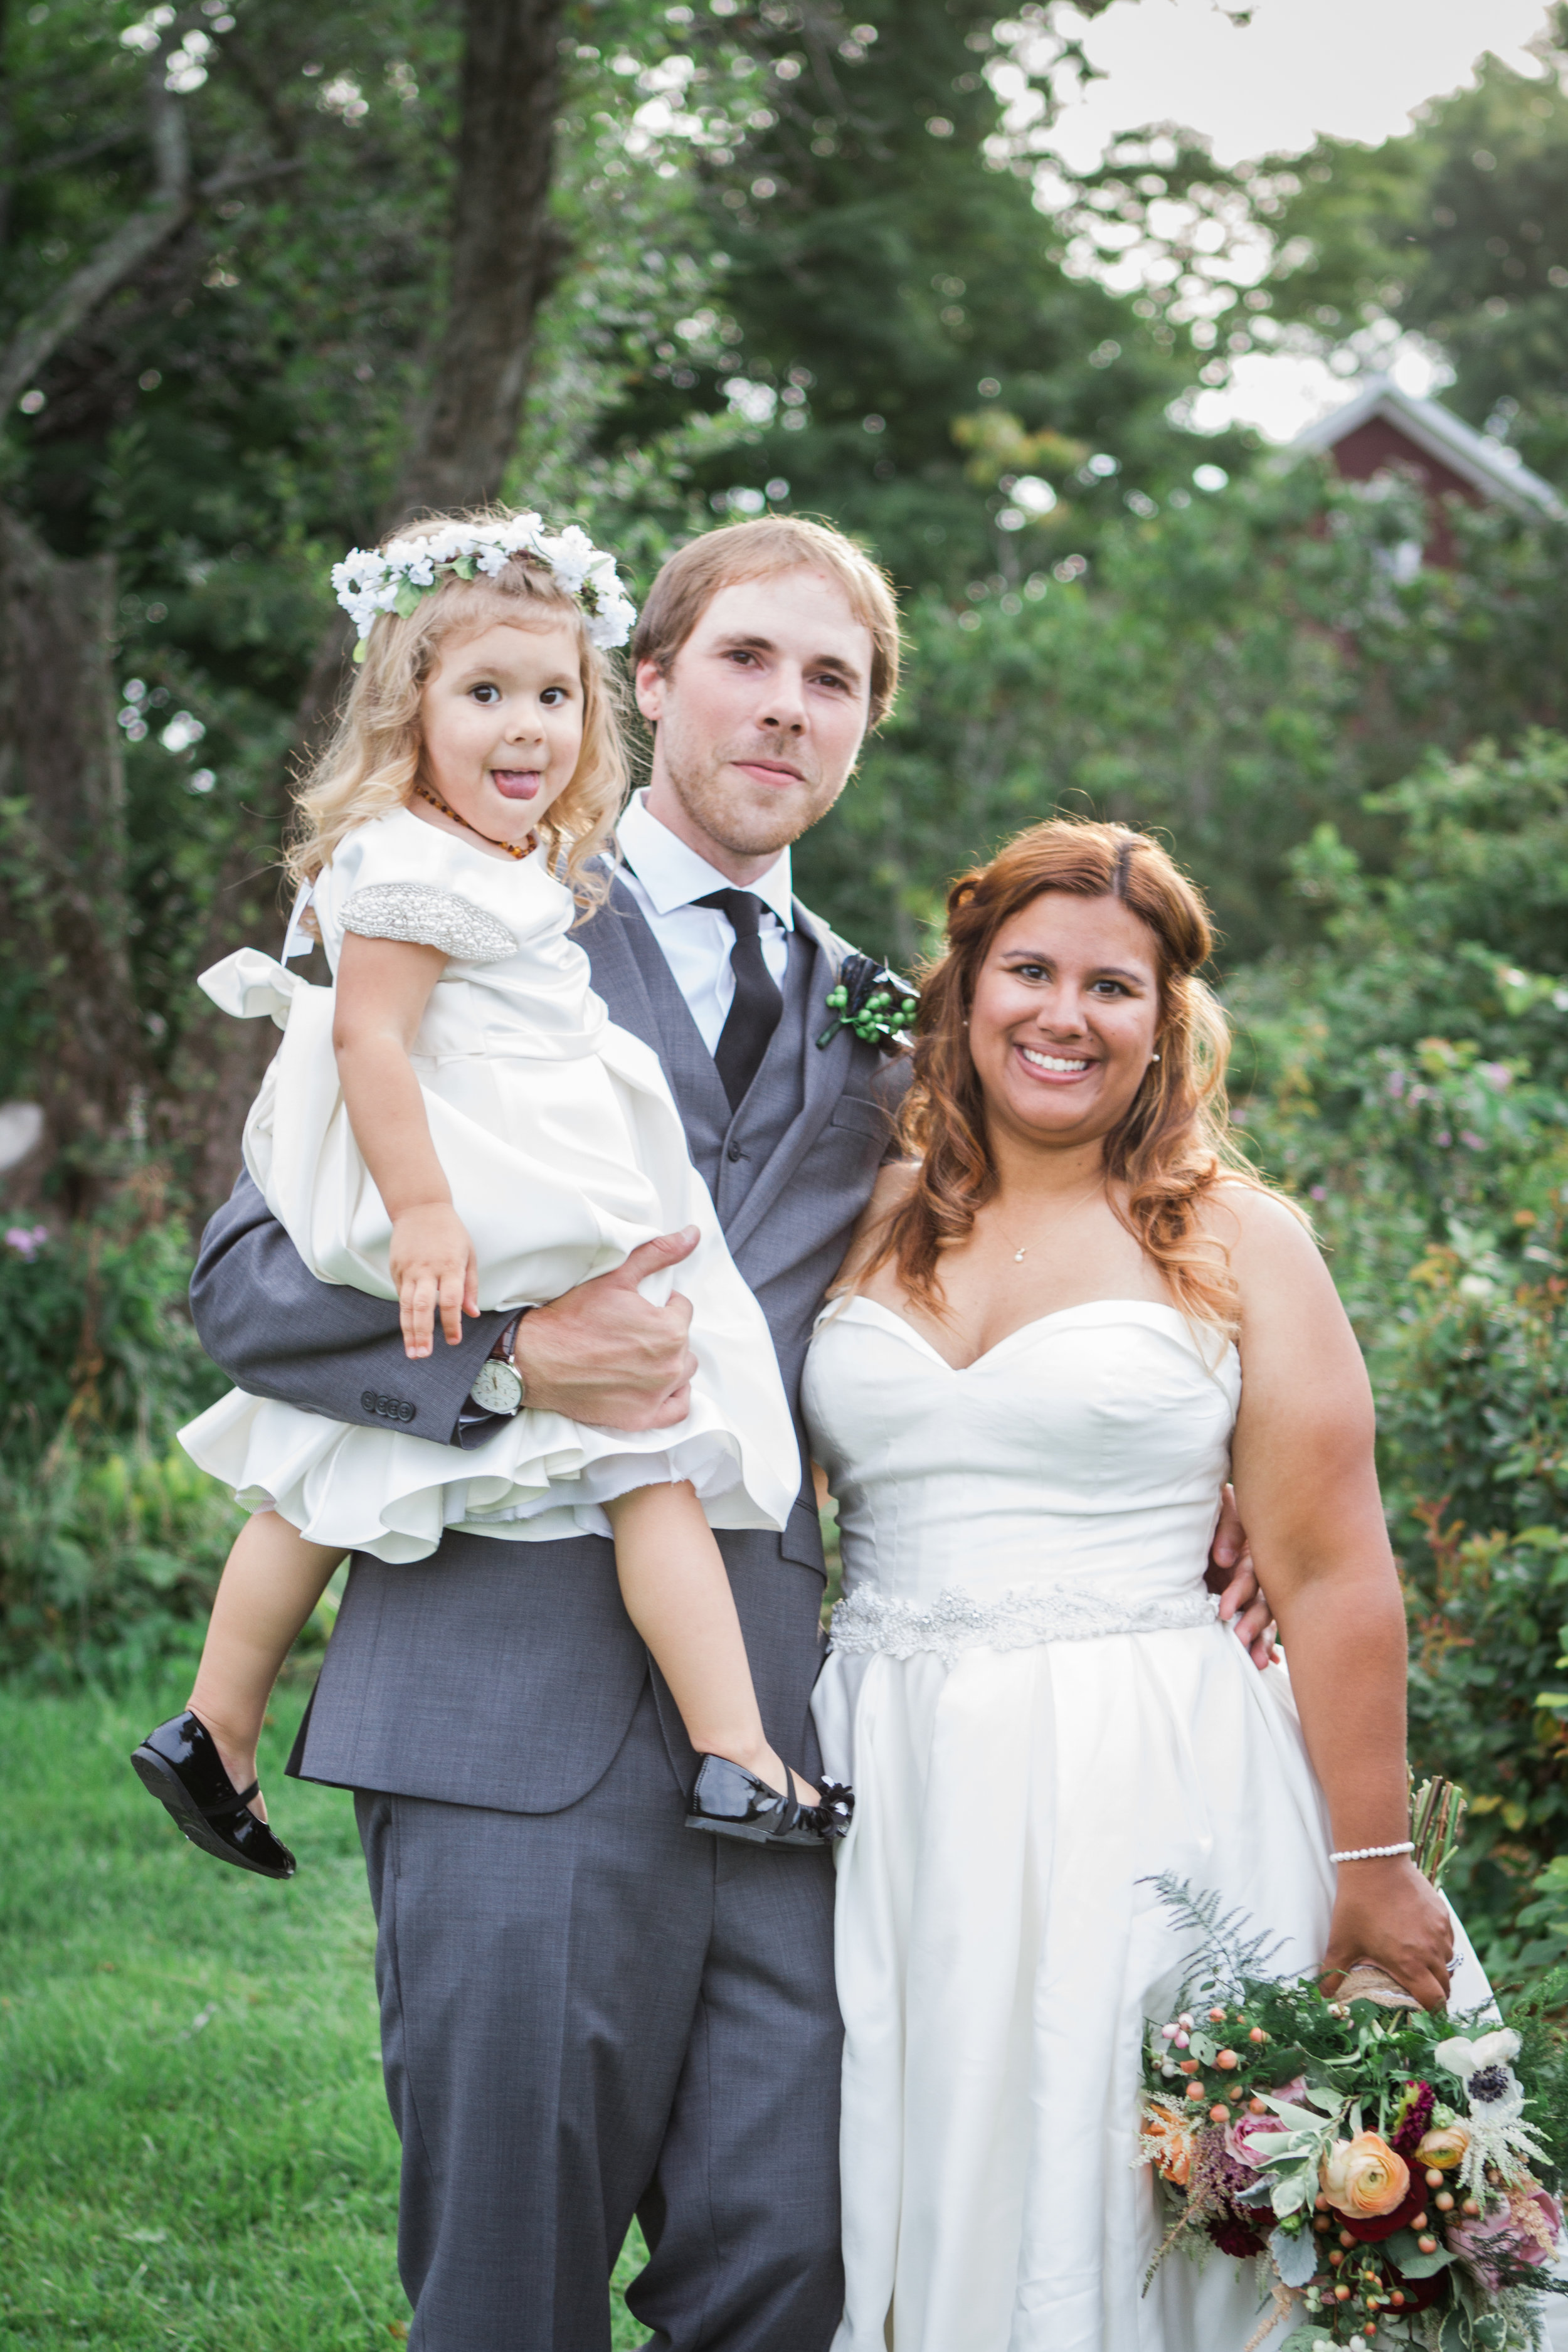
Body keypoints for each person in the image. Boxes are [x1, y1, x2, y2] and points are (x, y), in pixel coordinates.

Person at [181, 522, 1273, 2352]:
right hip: (499, 1679)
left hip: (775, 1725)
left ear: (861, 727)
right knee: (512, 2266)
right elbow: (245, 1290)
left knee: (791, 2249)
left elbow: (1029, 1249)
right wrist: (523, 1348)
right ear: (654, 679)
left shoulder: (886, 1015)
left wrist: (1206, 1446)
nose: (784, 707)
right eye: (748, 658)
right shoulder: (464, 901)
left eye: (830, 679)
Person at [805, 816, 1490, 2352]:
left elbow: (1328, 1573)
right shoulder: (859, 1212)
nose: (1062, 1015)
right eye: (1027, 971)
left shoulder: (1240, 1239)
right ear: (963, 988)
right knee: (922, 2147)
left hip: (1149, 1772)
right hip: (892, 1767)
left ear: (1164, 1021)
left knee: (1139, 2172)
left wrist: (1372, 1859)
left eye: (1110, 987)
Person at [132, 509, 845, 1882]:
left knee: (323, 1475)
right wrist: (436, 1231)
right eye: (484, 696)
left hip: (525, 1191)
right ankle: (741, 1756)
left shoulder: (521, 873)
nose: (524, 729)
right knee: (641, 1462)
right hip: (484, 1199)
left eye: (546, 699)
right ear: (408, 711)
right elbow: (365, 1042)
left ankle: (215, 1724)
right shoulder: (406, 862)